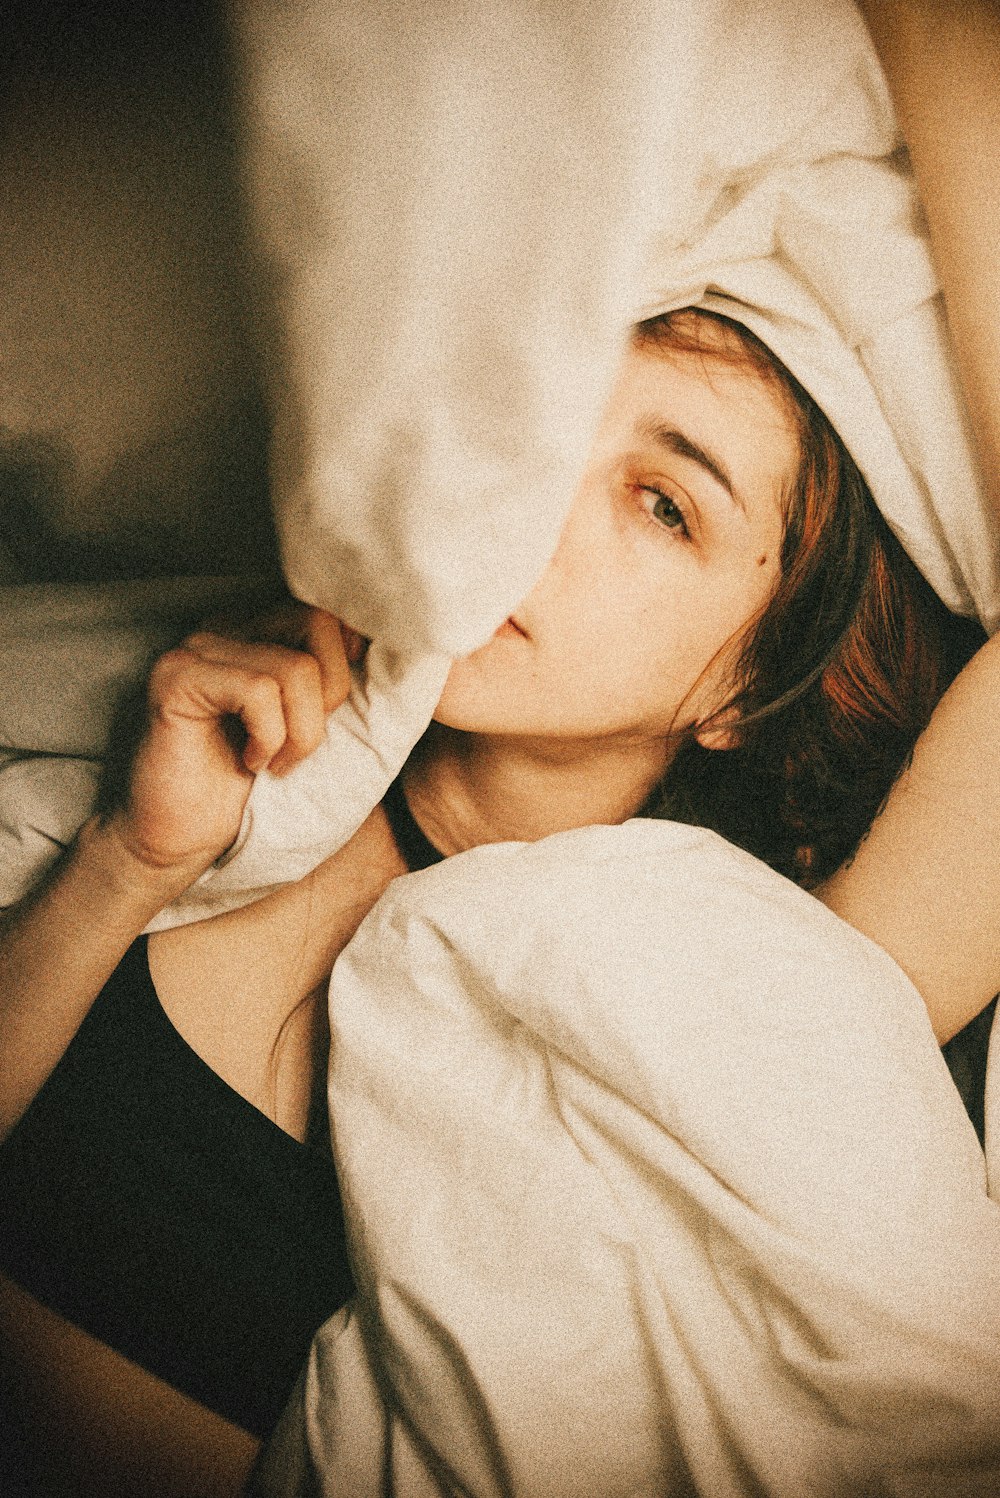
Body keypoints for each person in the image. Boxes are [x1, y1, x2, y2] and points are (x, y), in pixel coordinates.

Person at [0, 301, 990, 1497]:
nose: (540, 499)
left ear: (747, 685)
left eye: (663, 504)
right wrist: (125, 862)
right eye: (552, 420)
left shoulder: (736, 994)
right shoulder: (230, 769)